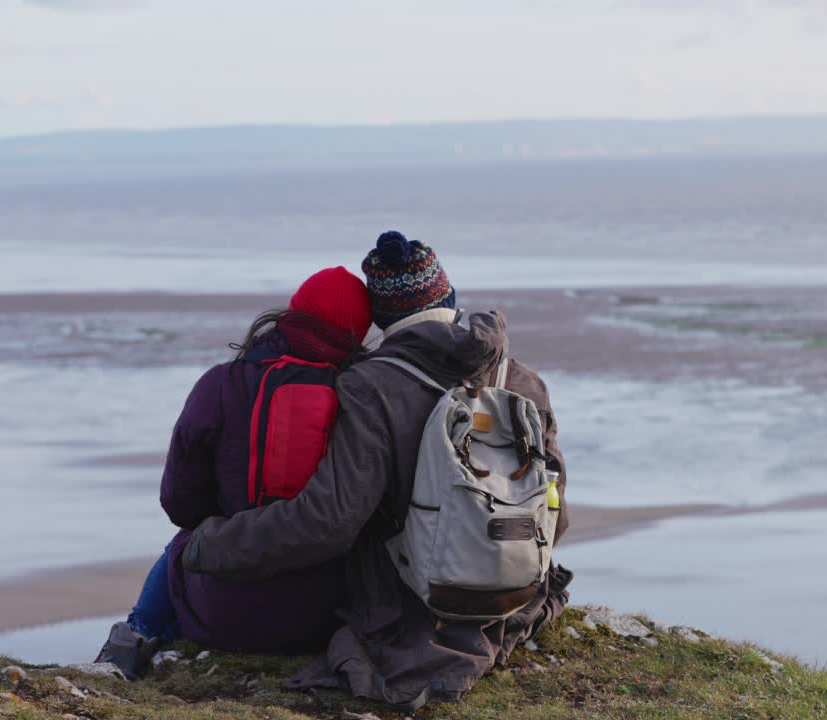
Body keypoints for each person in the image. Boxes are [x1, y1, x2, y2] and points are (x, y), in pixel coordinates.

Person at [181, 232, 573, 712]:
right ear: (449, 298)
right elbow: (558, 514)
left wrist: (211, 543)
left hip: (415, 609)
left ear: (382, 321)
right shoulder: (521, 380)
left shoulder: (371, 387)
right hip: (517, 596)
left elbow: (327, 522)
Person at [95, 267, 372, 679]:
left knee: (183, 543)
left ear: (292, 313)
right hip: (329, 617)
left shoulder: (221, 383)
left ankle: (130, 646)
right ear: (357, 336)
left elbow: (180, 502)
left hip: (222, 612)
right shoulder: (363, 396)